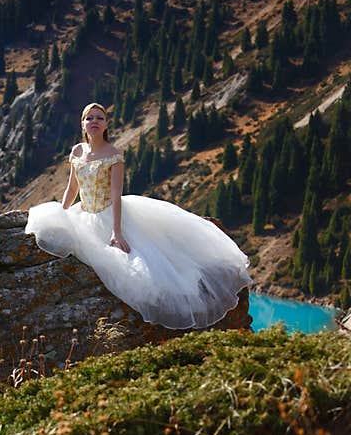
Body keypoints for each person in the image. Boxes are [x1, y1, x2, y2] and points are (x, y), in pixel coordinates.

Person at [24, 102, 252, 330]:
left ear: (106, 124)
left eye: (99, 118)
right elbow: (72, 188)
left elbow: (116, 195)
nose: (94, 122)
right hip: (83, 212)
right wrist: (62, 215)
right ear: (82, 124)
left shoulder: (114, 155)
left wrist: (116, 231)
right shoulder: (77, 151)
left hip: (109, 214)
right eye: (89, 118)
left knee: (141, 267)